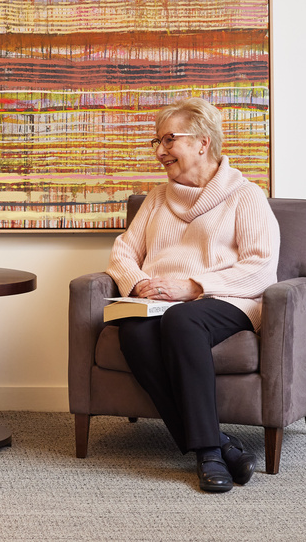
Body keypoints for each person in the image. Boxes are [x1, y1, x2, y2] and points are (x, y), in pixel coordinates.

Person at [105, 97, 279, 493]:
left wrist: (195, 288)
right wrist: (136, 283)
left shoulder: (245, 196)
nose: (160, 151)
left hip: (227, 300)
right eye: (157, 141)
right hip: (159, 300)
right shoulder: (156, 198)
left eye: (169, 140)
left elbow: (261, 266)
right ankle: (219, 444)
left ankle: (207, 454)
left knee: (183, 320)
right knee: (132, 329)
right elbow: (123, 251)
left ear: (203, 142)